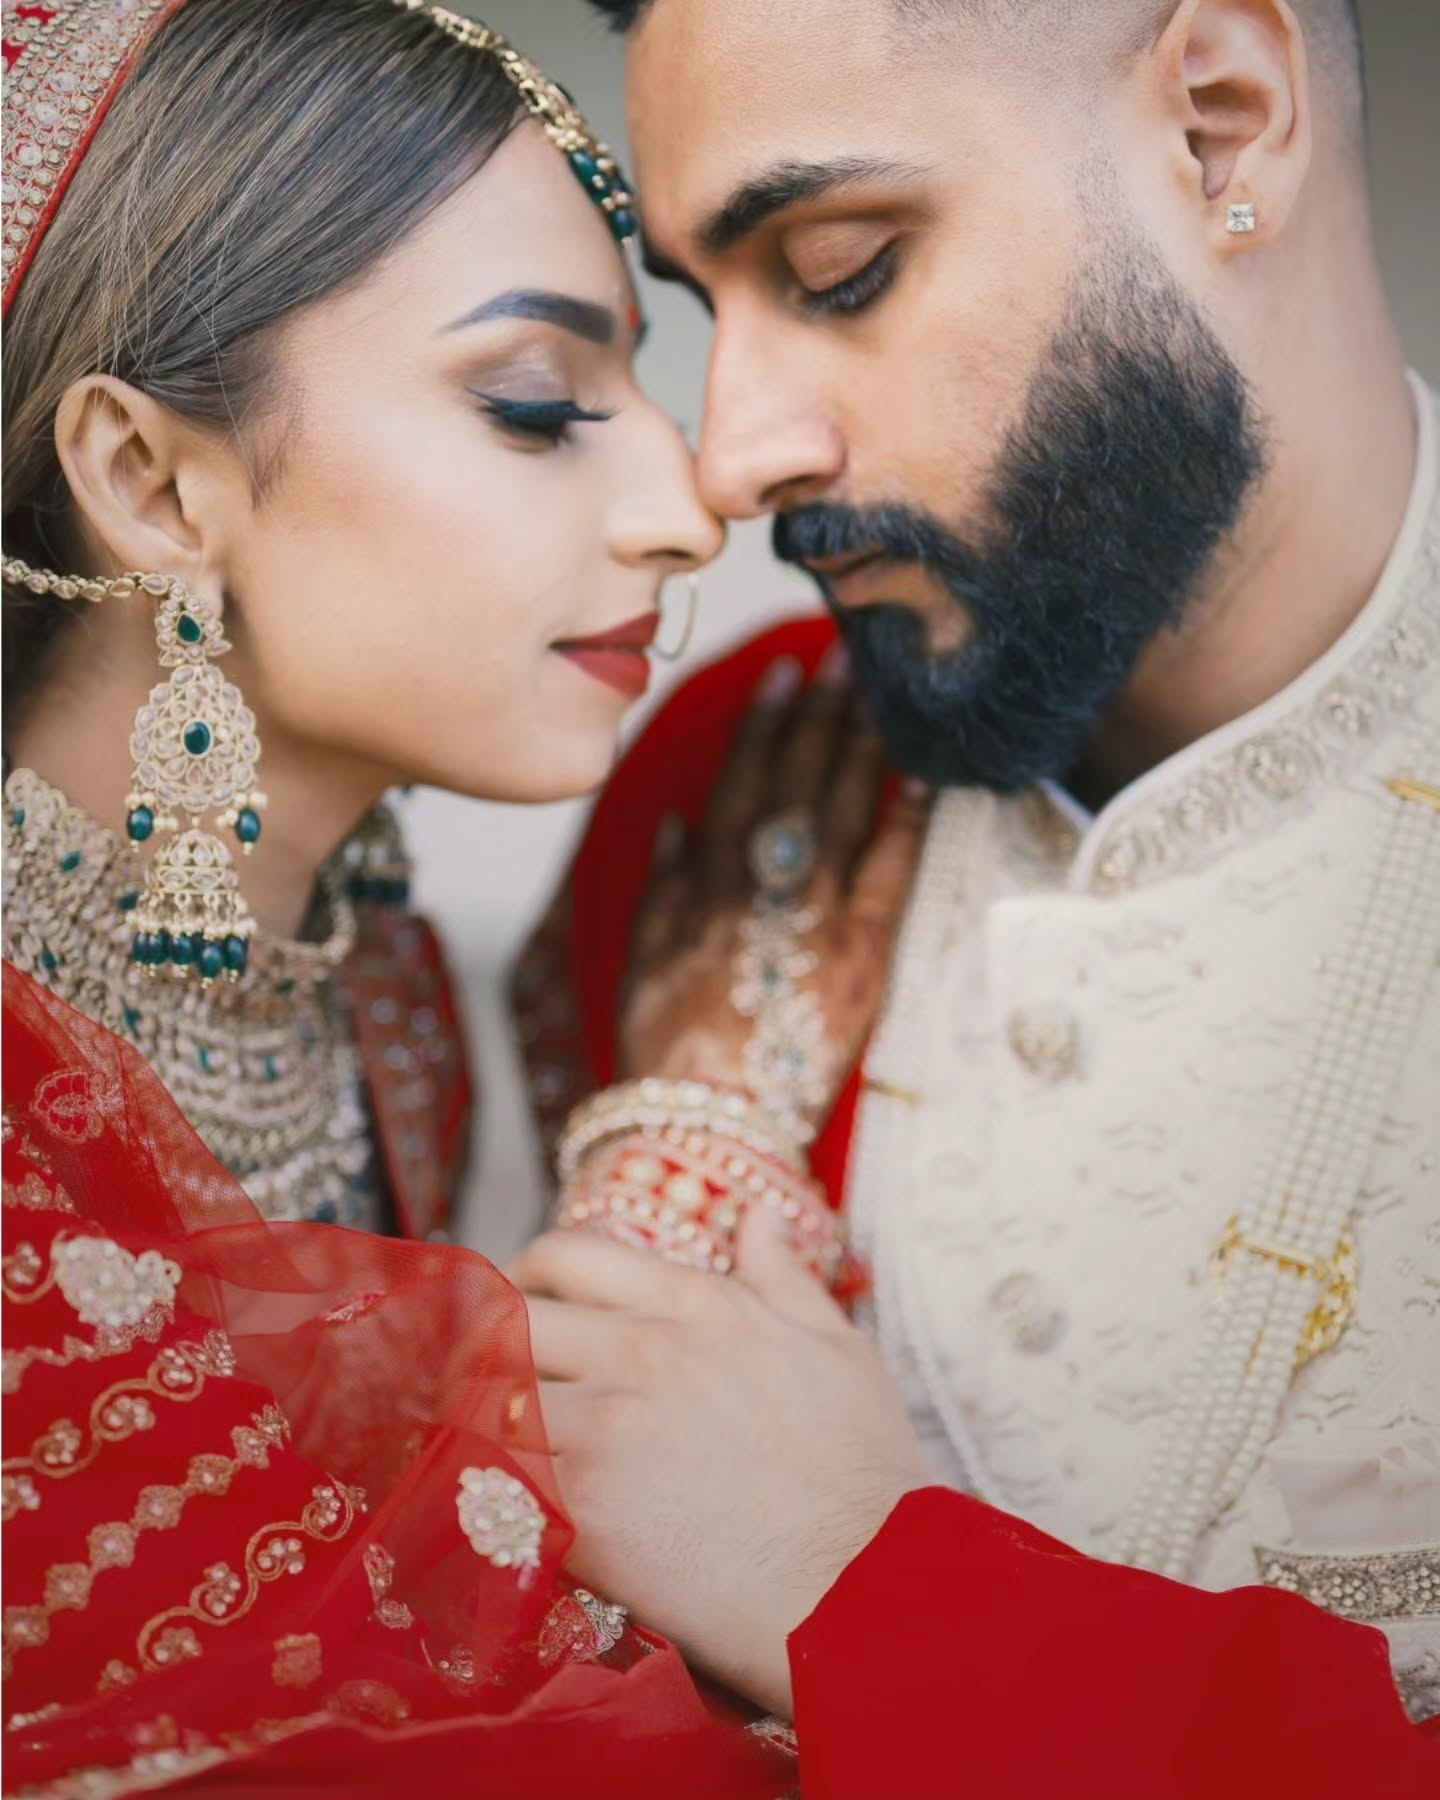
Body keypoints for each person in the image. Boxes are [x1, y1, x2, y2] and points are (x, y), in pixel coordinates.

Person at [505, 0, 1440, 1792]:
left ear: (1223, 127)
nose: (730, 458)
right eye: (711, 310)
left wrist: (857, 1585)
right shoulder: (728, 786)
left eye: (840, 270)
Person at [1, 1, 924, 1791]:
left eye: (636, 393)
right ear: (149, 483)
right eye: (535, 407)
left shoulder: (389, 1006)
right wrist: (694, 1152)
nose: (687, 505)